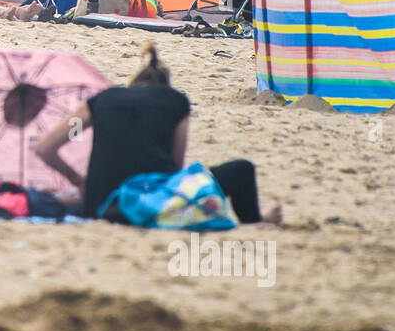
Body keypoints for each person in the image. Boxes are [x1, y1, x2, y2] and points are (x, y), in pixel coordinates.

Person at [35, 44, 282, 224]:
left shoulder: (102, 100)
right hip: (154, 203)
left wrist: (79, 180)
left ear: (133, 84)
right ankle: (255, 221)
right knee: (241, 169)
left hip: (99, 207)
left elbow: (45, 148)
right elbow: (175, 167)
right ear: (163, 85)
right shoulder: (175, 101)